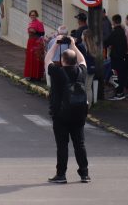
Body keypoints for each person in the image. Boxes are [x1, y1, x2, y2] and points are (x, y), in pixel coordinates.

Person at [45, 34, 90, 184]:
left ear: (63, 61)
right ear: (74, 61)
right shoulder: (81, 72)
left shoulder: (57, 72)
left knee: (62, 145)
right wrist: (73, 45)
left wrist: (56, 44)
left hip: (60, 115)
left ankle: (61, 175)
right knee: (80, 144)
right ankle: (84, 174)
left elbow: (47, 60)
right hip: (78, 114)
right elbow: (83, 60)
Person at [104, 14, 128, 100]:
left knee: (115, 75)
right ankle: (121, 92)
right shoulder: (122, 31)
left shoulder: (115, 32)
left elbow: (107, 42)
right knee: (120, 75)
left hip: (115, 57)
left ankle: (119, 93)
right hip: (122, 57)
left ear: (113, 22)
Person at [24, 10, 46, 82]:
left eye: (34, 15)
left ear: (36, 15)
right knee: (30, 58)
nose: (32, 16)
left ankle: (37, 76)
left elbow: (42, 33)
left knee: (37, 58)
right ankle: (31, 75)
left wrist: (35, 31)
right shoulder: (30, 23)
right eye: (31, 15)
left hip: (37, 42)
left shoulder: (39, 23)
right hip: (30, 42)